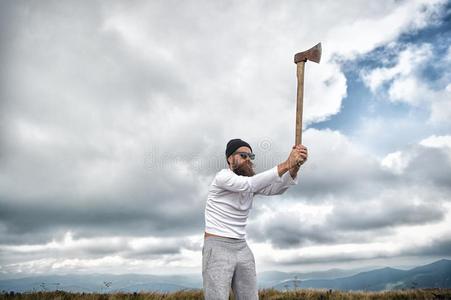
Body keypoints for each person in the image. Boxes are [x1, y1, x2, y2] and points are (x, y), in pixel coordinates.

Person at [202, 138, 308, 299]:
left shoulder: (249, 182)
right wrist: (287, 163)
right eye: (243, 155)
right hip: (217, 247)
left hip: (242, 246)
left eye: (250, 156)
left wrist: (294, 167)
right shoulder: (223, 177)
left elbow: (275, 188)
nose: (248, 160)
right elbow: (250, 184)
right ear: (230, 158)